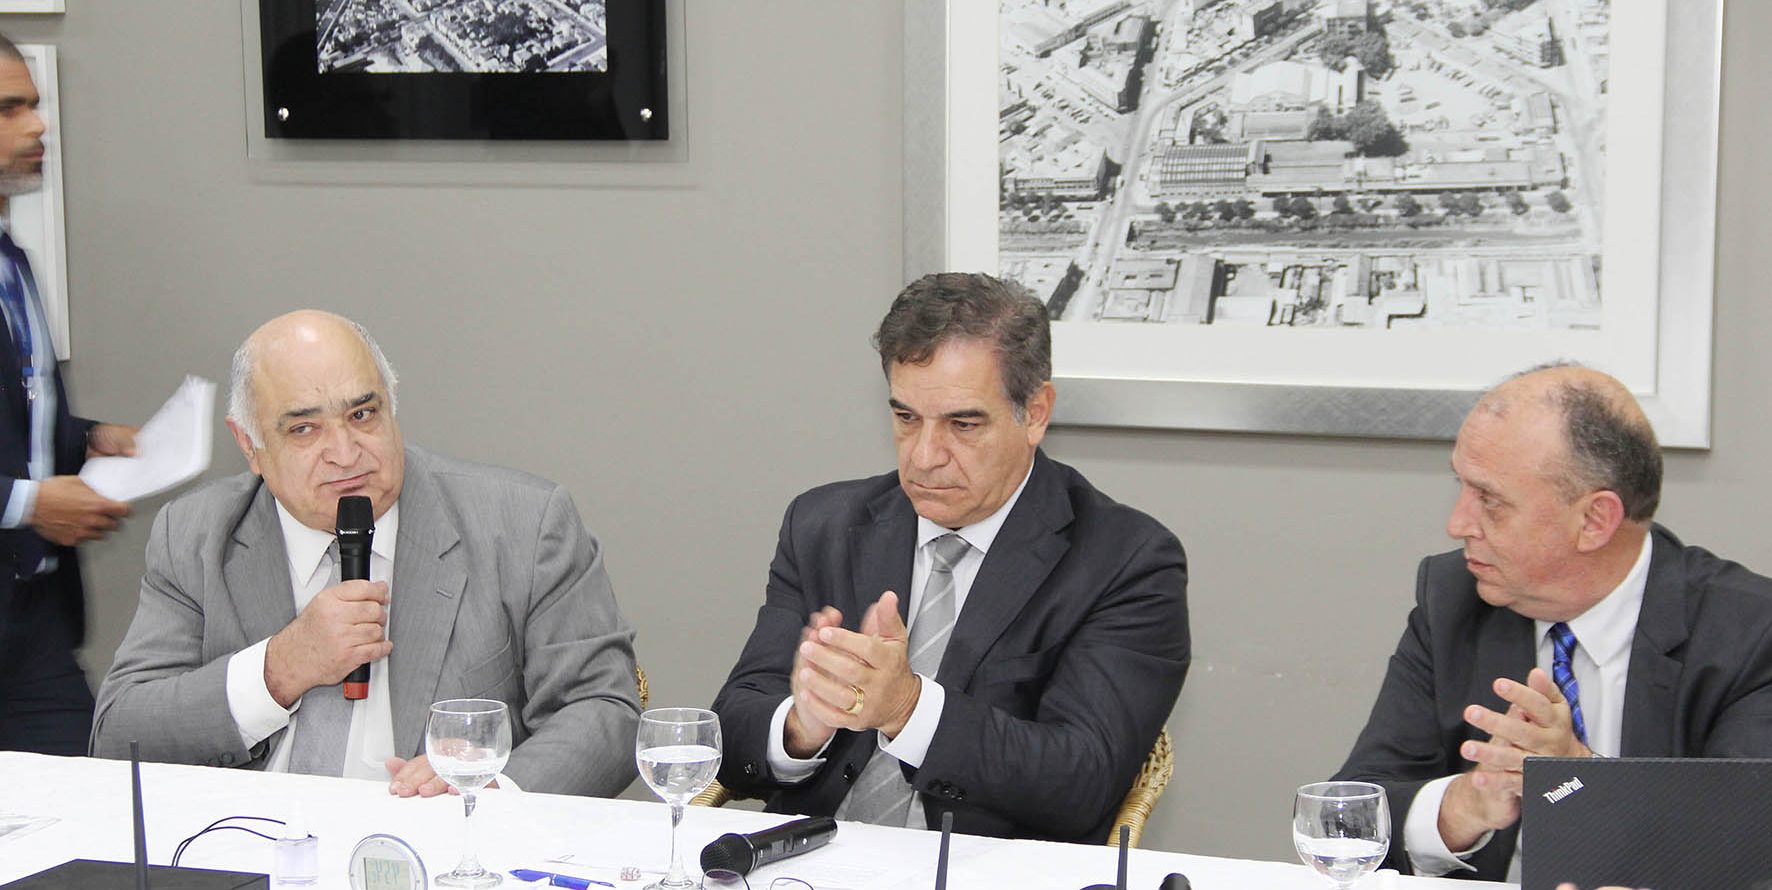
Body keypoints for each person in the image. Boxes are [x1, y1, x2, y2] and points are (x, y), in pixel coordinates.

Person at [711, 272, 1190, 842]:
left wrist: (907, 709)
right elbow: (730, 736)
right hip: (810, 864)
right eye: (906, 418)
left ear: (1035, 413)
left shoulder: (1126, 561)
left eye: (962, 424)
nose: (924, 457)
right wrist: (801, 724)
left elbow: (1080, 782)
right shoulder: (824, 526)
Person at [91, 311, 639, 797]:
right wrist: (279, 669)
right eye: (304, 428)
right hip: (253, 843)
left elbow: (603, 709)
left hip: (441, 847)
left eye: (362, 415)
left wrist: (493, 788)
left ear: (391, 406)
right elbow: (119, 735)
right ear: (249, 445)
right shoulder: (195, 534)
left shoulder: (522, 524)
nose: (345, 453)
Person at [1334, 364, 1772, 881]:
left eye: (1490, 500)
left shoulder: (1750, 633)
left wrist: (1580, 779)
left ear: (1594, 520)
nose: (1457, 524)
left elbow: (1749, 847)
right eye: (1461, 487)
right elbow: (1350, 819)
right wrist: (1465, 804)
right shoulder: (1455, 599)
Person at [0, 32, 137, 756]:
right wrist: (27, 504)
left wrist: (83, 438)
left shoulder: (10, 258)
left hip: (35, 618)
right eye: (9, 109)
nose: (38, 126)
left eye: (34, 105)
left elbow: (13, 409)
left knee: (83, 801)